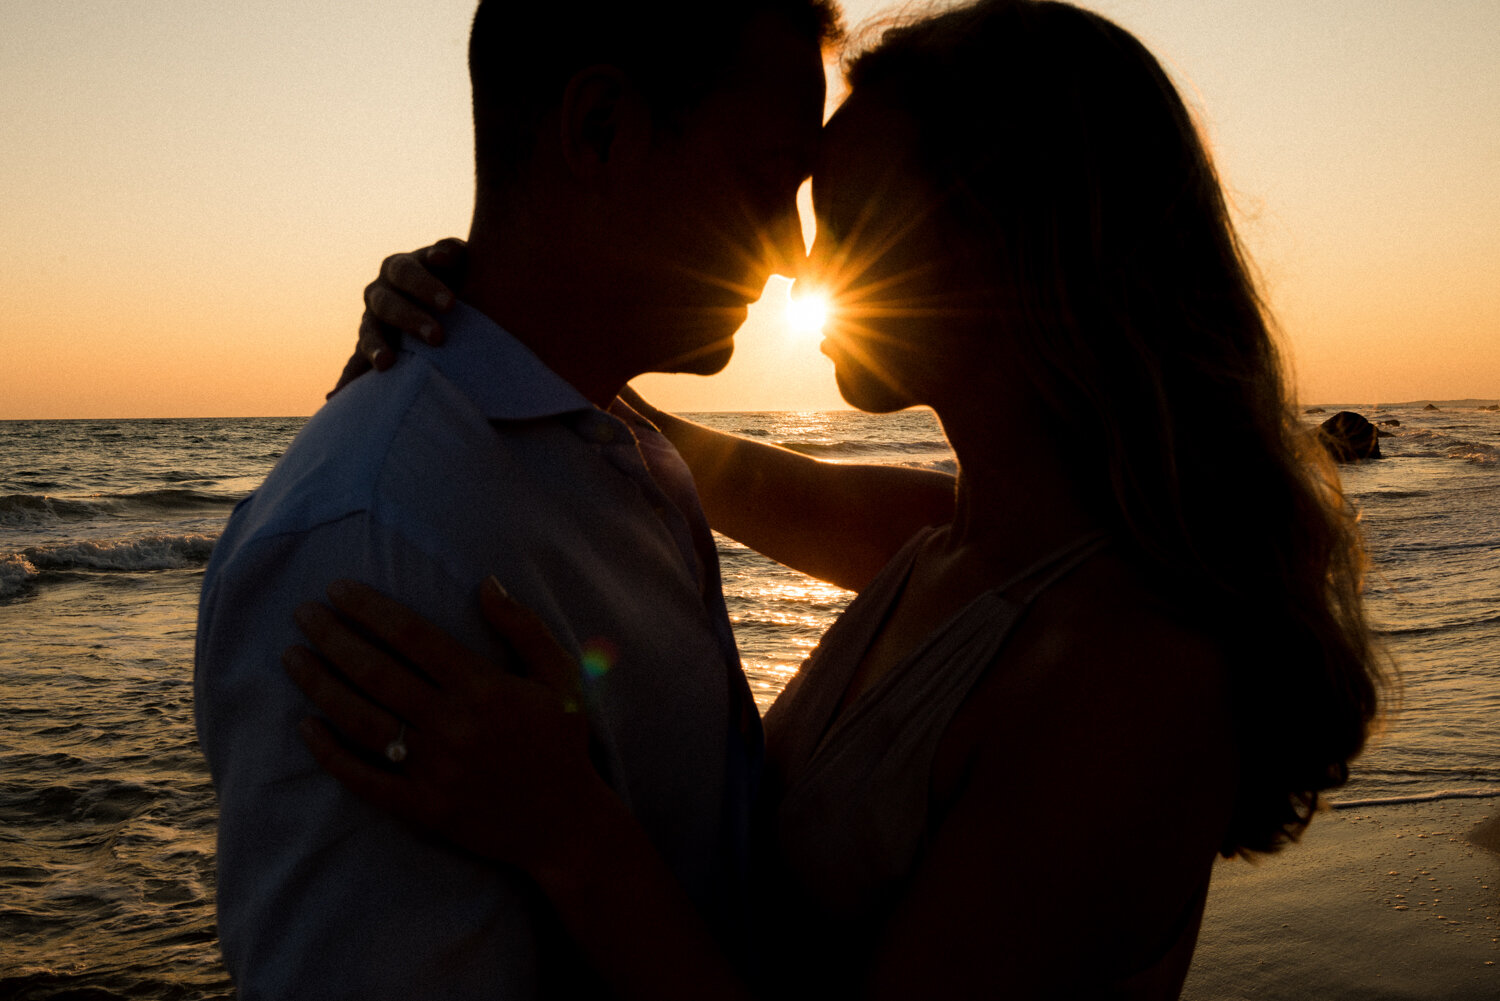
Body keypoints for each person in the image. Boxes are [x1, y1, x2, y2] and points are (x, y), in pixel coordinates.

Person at [288, 0, 1385, 997]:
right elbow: (705, 461)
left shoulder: (1128, 681)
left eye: (853, 222)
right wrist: (472, 325)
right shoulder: (956, 542)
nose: (799, 270)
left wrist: (571, 833)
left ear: (1018, 245)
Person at [191, 2, 955, 998]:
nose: (793, 254)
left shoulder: (628, 460)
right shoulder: (373, 547)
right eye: (771, 180)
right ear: (599, 129)